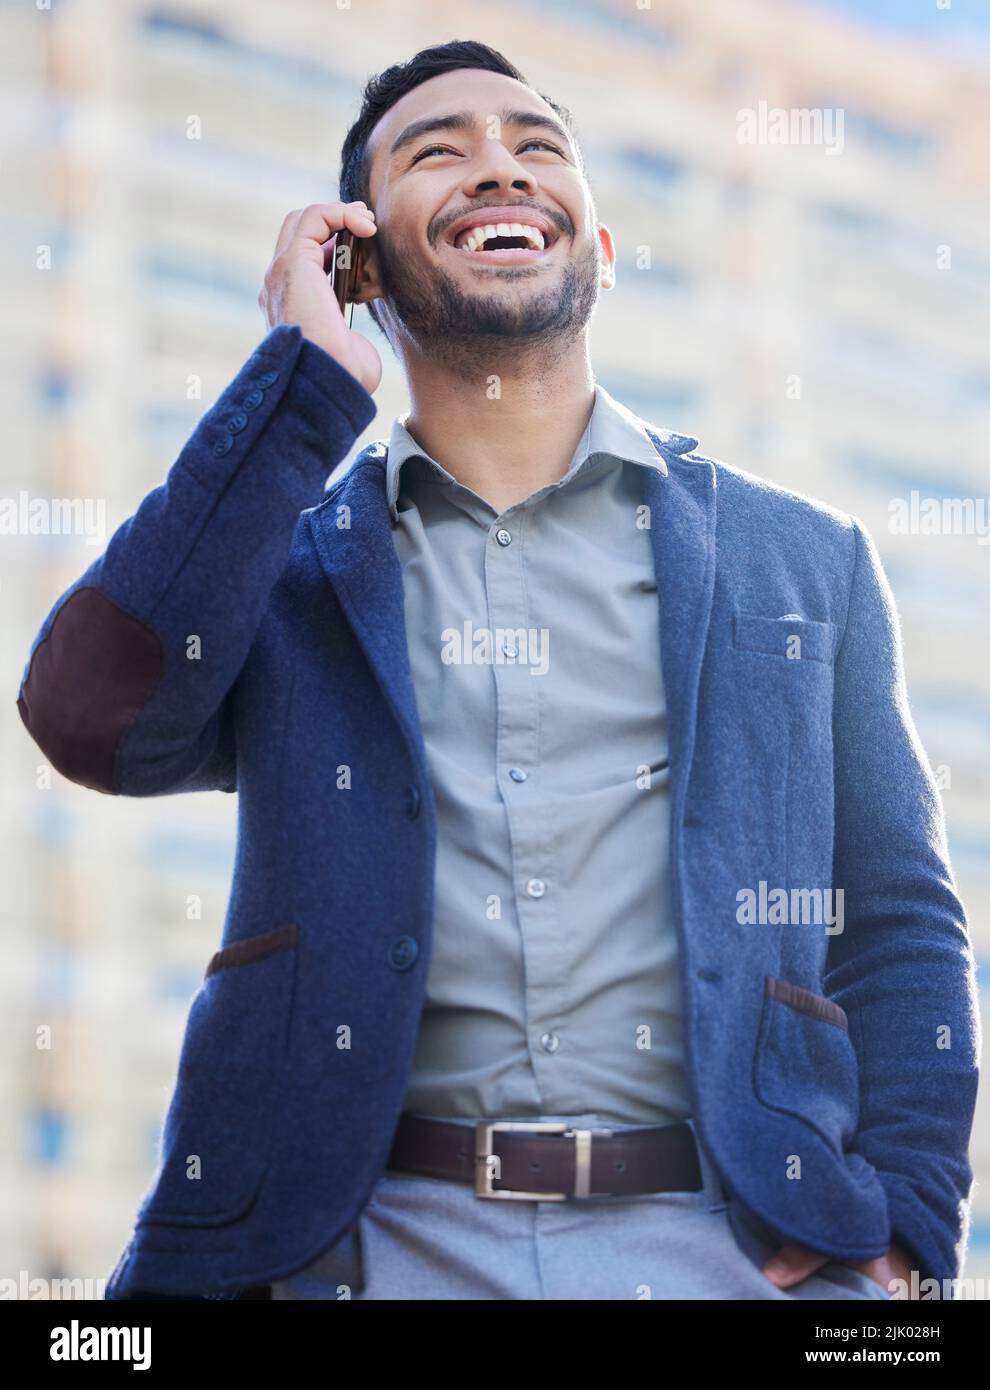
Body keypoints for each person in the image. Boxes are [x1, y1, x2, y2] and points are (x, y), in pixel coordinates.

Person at [16, 41, 977, 1302]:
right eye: (436, 153)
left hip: (735, 1251)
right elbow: (92, 718)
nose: (496, 169)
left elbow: (898, 921)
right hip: (347, 1248)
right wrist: (302, 386)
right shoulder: (284, 563)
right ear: (355, 259)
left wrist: (905, 1232)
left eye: (537, 147)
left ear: (602, 248)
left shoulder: (804, 563)